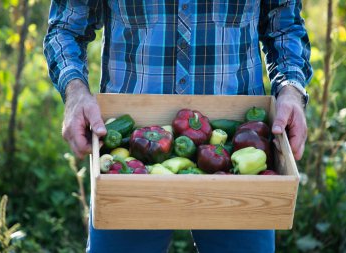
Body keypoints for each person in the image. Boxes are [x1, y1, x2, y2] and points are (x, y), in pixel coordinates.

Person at [44, 0, 312, 252]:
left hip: (242, 142)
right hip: (128, 152)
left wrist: (291, 90)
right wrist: (75, 92)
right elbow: (66, 27)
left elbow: (284, 26)